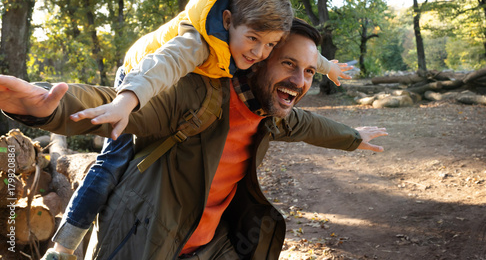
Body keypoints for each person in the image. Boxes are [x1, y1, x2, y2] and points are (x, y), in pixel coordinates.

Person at [0, 19, 386, 260]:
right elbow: (114, 105)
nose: (301, 81)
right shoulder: (196, 95)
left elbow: (309, 125)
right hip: (143, 240)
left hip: (212, 246)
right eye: (288, 64)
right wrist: (44, 106)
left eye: (307, 71)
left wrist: (353, 137)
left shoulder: (268, 114)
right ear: (257, 58)